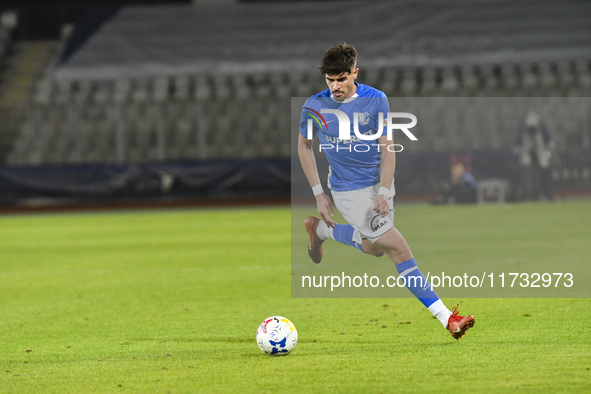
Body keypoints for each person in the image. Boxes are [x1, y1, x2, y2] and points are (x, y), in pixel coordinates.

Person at [298, 44, 474, 340]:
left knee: (374, 247)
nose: (334, 86)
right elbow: (304, 146)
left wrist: (383, 189)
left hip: (380, 185)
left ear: (355, 73)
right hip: (347, 191)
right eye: (329, 80)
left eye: (341, 78)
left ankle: (321, 231)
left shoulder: (376, 99)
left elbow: (388, 148)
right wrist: (318, 192)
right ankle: (448, 319)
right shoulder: (314, 106)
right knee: (397, 248)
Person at [513, 109, 556, 201]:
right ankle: (533, 195)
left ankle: (548, 195)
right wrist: (517, 145)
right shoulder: (523, 127)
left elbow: (547, 134)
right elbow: (519, 136)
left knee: (545, 174)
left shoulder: (541, 126)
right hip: (528, 152)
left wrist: (550, 141)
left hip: (540, 151)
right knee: (529, 175)